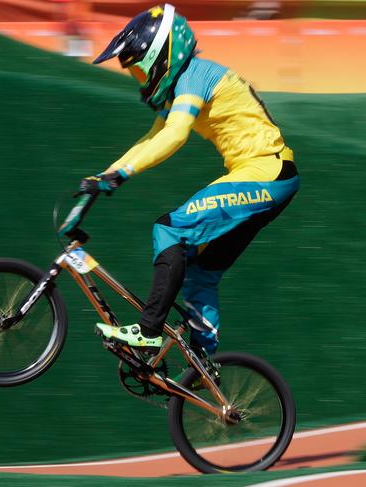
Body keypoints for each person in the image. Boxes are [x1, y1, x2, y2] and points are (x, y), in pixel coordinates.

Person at [79, 3, 300, 355]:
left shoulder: (193, 76)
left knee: (169, 229)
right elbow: (152, 137)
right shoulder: (184, 82)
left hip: (264, 173)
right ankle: (204, 363)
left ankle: (149, 330)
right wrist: (105, 174)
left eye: (140, 70)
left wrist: (120, 175)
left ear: (162, 56)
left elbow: (175, 135)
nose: (140, 79)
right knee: (202, 272)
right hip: (269, 176)